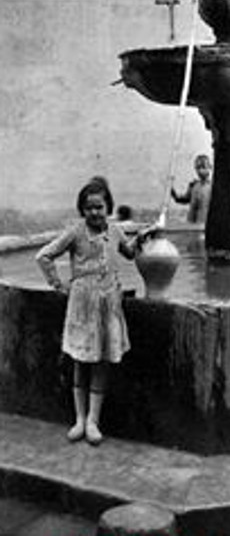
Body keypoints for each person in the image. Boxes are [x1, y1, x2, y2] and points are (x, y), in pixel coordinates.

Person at [36, 178, 144, 446]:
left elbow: (129, 254)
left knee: (100, 362)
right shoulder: (75, 233)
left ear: (108, 207)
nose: (94, 212)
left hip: (108, 306)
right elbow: (44, 256)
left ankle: (94, 420)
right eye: (88, 208)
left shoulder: (116, 231)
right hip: (82, 307)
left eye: (99, 206)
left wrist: (140, 240)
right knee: (80, 361)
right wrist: (57, 284)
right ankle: (80, 419)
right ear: (82, 210)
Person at [171, 154, 212, 223]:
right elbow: (184, 199)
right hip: (192, 225)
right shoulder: (193, 186)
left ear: (210, 167)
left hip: (206, 225)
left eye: (203, 167)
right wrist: (173, 192)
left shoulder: (213, 187)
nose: (200, 170)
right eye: (198, 168)